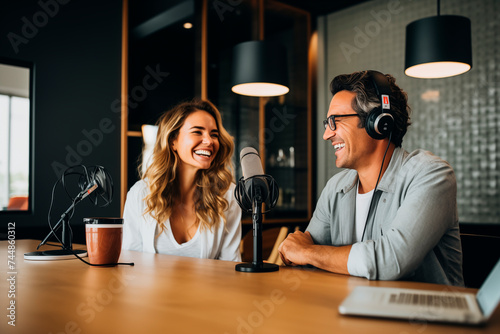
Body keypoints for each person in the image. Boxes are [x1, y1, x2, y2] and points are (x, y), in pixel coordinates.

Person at [278, 70, 464, 286]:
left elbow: (391, 261)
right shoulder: (335, 188)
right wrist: (305, 250)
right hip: (353, 311)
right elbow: (304, 254)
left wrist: (308, 252)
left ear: (378, 123)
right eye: (326, 123)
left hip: (427, 317)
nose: (327, 134)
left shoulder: (431, 175)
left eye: (335, 121)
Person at [122, 99, 242, 261]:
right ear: (173, 141)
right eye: (197, 132)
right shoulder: (140, 194)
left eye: (214, 134)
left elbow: (230, 266)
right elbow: (130, 262)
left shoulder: (228, 197)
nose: (209, 141)